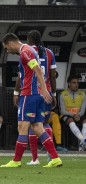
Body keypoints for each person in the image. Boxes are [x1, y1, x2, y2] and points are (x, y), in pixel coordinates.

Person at [1, 33, 62, 168]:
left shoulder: (25, 52)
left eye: (6, 47)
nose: (7, 50)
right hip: (37, 95)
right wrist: (43, 90)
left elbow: (37, 70)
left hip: (29, 95)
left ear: (11, 43)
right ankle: (55, 158)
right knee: (38, 127)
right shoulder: (30, 50)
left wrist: (45, 89)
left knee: (22, 127)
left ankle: (16, 160)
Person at [59, 75, 86, 151]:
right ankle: (83, 140)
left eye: (77, 83)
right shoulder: (62, 94)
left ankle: (82, 145)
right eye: (74, 82)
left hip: (79, 115)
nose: (76, 84)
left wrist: (78, 115)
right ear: (69, 84)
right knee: (70, 120)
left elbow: (83, 109)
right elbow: (62, 110)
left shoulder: (82, 94)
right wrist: (73, 115)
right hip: (67, 115)